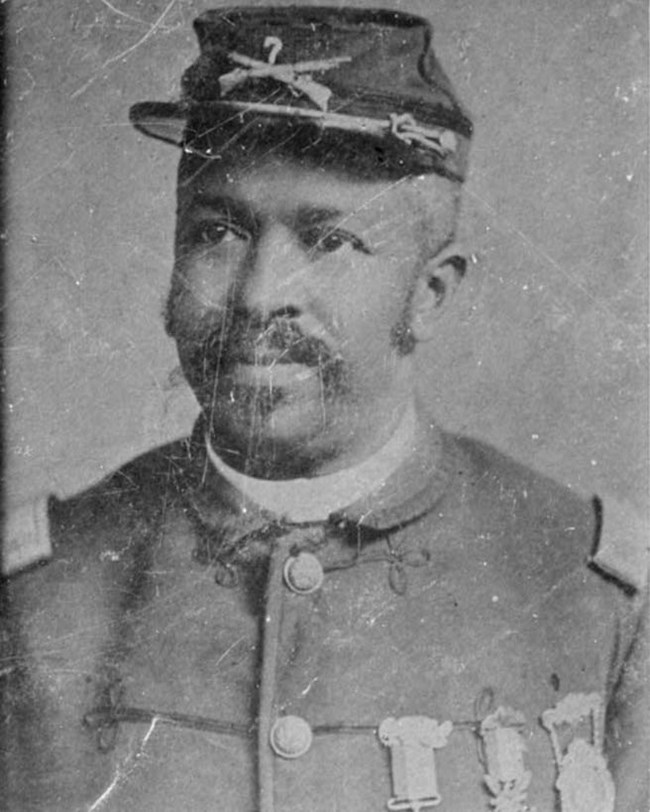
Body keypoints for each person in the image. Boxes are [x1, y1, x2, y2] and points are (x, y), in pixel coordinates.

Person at [1, 6, 647, 811]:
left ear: (430, 293)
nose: (261, 295)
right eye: (218, 231)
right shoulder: (36, 602)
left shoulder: (601, 605)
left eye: (330, 241)